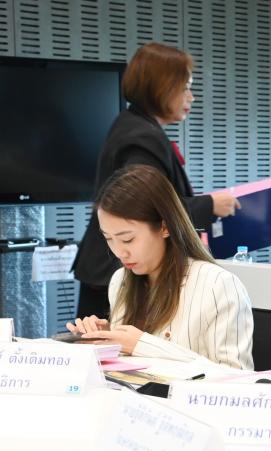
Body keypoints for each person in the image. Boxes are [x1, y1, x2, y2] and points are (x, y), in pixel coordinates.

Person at [73, 42, 241, 318]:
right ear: (162, 87)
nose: (191, 97)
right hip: (117, 272)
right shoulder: (141, 136)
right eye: (185, 87)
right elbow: (144, 207)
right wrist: (210, 205)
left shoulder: (134, 125)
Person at [67, 165, 254, 370]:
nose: (119, 252)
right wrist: (108, 338)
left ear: (165, 227)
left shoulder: (218, 285)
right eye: (108, 239)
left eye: (127, 239)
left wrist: (141, 345)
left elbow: (236, 377)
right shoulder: (120, 280)